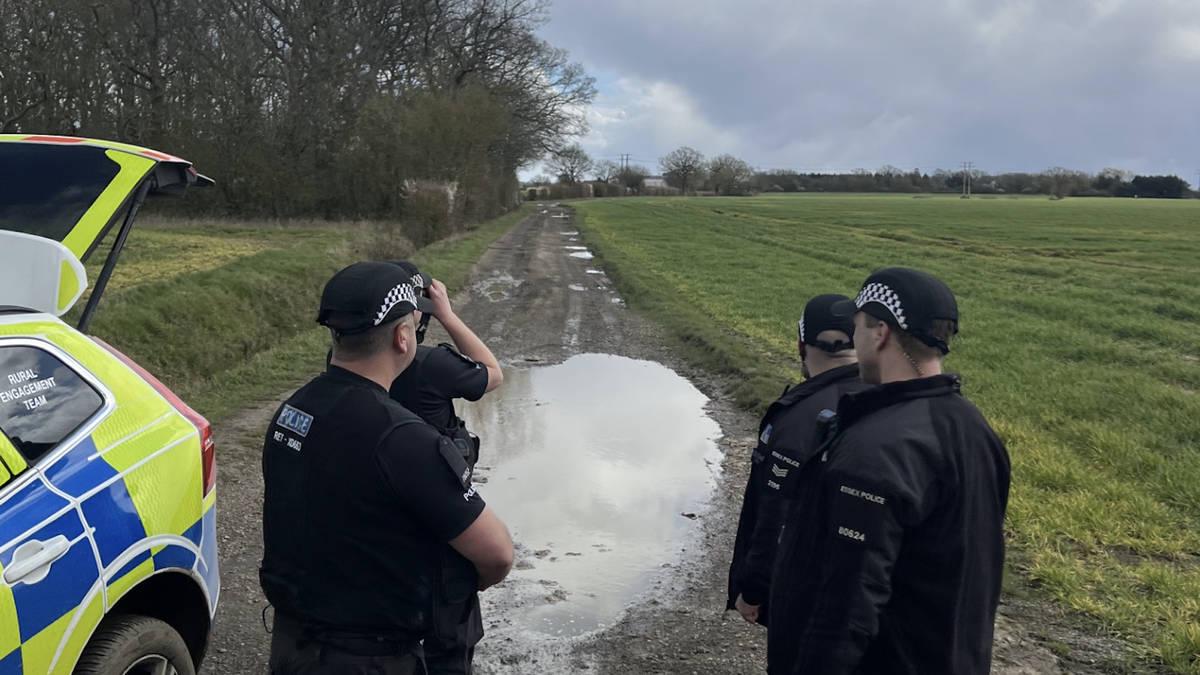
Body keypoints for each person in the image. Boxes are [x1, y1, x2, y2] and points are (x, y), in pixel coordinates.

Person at [261, 261, 514, 675]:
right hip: (368, 659)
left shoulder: (294, 410)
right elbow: (497, 553)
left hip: (293, 645)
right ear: (402, 337)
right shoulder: (403, 439)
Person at [768, 267, 1011, 675]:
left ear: (880, 332)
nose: (854, 337)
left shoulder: (877, 447)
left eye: (858, 325)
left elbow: (846, 604)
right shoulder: (975, 429)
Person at [388, 262, 503, 675]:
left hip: (381, 533)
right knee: (447, 646)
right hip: (437, 525)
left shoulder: (348, 362)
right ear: (414, 318)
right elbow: (493, 374)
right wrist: (449, 316)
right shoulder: (431, 364)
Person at [727, 294, 865, 627]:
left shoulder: (800, 418)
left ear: (801, 344)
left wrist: (753, 589)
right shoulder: (881, 400)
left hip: (801, 593)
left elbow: (775, 516)